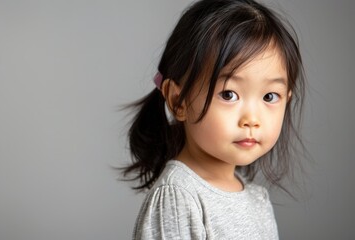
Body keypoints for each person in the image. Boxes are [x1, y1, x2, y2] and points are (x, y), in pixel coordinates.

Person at [121, 0, 305, 239]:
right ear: (179, 101)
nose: (252, 119)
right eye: (229, 94)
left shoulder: (257, 199)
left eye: (270, 96)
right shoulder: (179, 196)